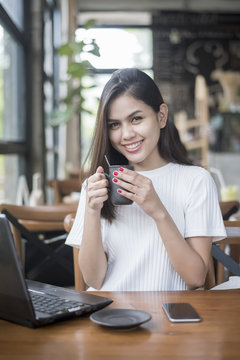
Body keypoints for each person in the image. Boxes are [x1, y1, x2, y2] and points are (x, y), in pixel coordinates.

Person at [66, 68, 226, 291]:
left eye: (136, 119)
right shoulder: (96, 184)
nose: (126, 134)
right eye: (114, 124)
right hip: (110, 315)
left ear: (161, 116)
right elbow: (93, 280)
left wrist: (158, 211)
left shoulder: (196, 181)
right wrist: (92, 211)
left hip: (170, 317)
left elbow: (196, 278)